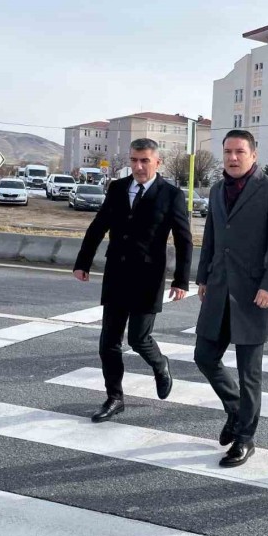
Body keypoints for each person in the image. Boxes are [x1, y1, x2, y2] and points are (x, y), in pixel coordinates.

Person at [73, 139, 193, 422]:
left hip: (148, 279)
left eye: (144, 161)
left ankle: (160, 364)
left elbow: (184, 240)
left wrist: (181, 280)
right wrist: (83, 262)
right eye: (134, 160)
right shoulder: (117, 188)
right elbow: (98, 227)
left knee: (139, 339)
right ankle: (114, 397)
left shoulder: (171, 195)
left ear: (157, 162)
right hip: (116, 275)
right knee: (109, 343)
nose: (138, 167)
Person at [194, 129, 268, 467]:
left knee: (250, 372)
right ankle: (235, 409)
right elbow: (211, 235)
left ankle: (245, 438)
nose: (232, 158)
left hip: (254, 295)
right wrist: (203, 276)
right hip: (219, 289)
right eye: (227, 152)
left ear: (253, 154)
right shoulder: (218, 189)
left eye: (239, 152)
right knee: (204, 356)